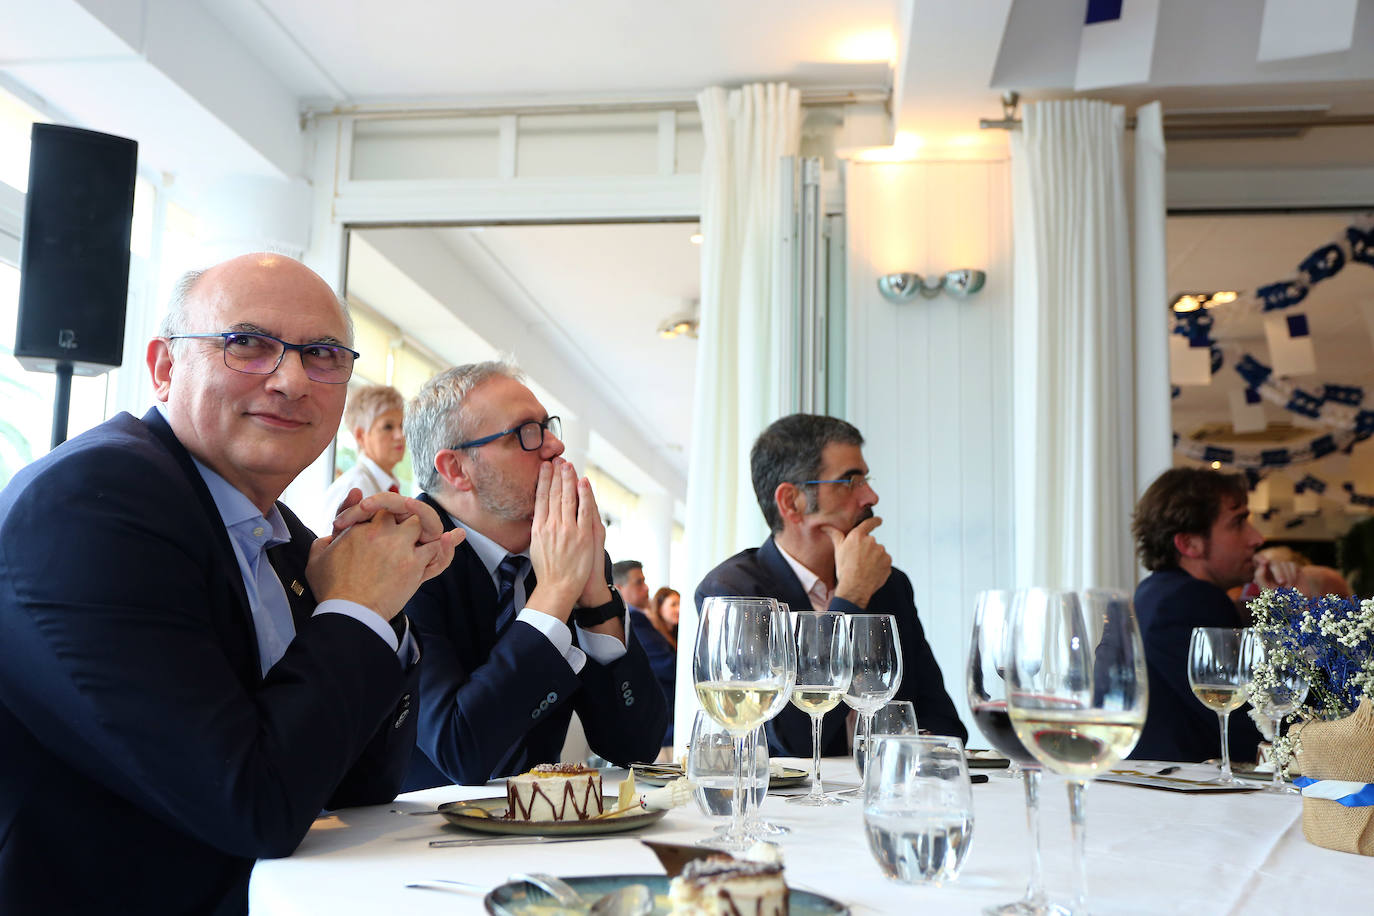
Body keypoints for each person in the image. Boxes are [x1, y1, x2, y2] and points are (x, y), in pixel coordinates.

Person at [0, 253, 461, 914]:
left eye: (324, 354)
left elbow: (358, 786)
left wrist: (384, 606)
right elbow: (252, 806)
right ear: (163, 368)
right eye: (247, 344)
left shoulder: (286, 537)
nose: (292, 379)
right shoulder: (92, 503)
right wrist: (357, 608)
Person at [401, 362, 668, 788]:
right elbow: (461, 750)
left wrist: (594, 598)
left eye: (548, 426)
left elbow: (635, 746)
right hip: (408, 839)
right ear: (456, 469)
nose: (555, 446)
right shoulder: (404, 554)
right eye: (526, 432)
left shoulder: (564, 551)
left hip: (544, 833)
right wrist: (556, 591)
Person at [696, 413, 966, 757]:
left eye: (866, 480)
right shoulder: (733, 593)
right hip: (789, 807)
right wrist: (850, 597)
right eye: (851, 482)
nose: (871, 497)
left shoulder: (890, 584)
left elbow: (945, 725)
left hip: (887, 794)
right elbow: (790, 740)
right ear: (792, 502)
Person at [1130, 467, 1266, 762]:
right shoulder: (1190, 599)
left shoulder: (1154, 591)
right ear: (1189, 543)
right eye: (1239, 522)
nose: (1257, 538)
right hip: (1191, 795)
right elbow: (1249, 723)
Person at [316, 383, 407, 530]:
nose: (400, 435)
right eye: (388, 427)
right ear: (360, 436)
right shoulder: (353, 487)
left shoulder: (391, 487)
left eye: (402, 426)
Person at [614, 561, 676, 745]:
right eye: (638, 582)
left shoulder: (636, 617)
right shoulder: (634, 619)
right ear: (619, 588)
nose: (646, 587)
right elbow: (667, 665)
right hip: (660, 725)